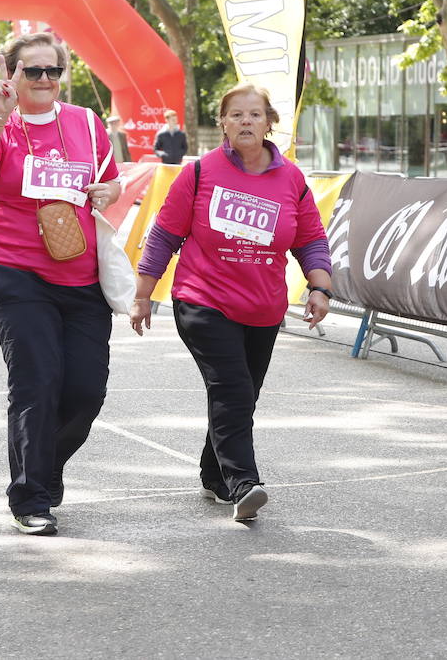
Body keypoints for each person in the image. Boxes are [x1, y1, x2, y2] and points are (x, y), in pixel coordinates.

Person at [130, 84, 332, 523]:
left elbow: (311, 238)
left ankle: (213, 473)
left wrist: (320, 288)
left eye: (255, 115)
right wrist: (142, 297)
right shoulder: (200, 173)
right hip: (203, 301)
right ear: (222, 121)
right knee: (233, 389)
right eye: (236, 114)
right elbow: (164, 235)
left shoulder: (291, 179)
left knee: (242, 394)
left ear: (269, 122)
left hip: (262, 308)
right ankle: (243, 482)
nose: (245, 121)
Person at [0, 32, 121, 536]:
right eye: (33, 71)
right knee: (36, 382)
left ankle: (45, 467)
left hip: (82, 275)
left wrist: (109, 189)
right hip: (17, 271)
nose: (46, 80)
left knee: (85, 390)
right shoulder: (3, 126)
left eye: (54, 71)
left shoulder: (86, 122)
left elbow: (112, 179)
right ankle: (30, 496)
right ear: (12, 74)